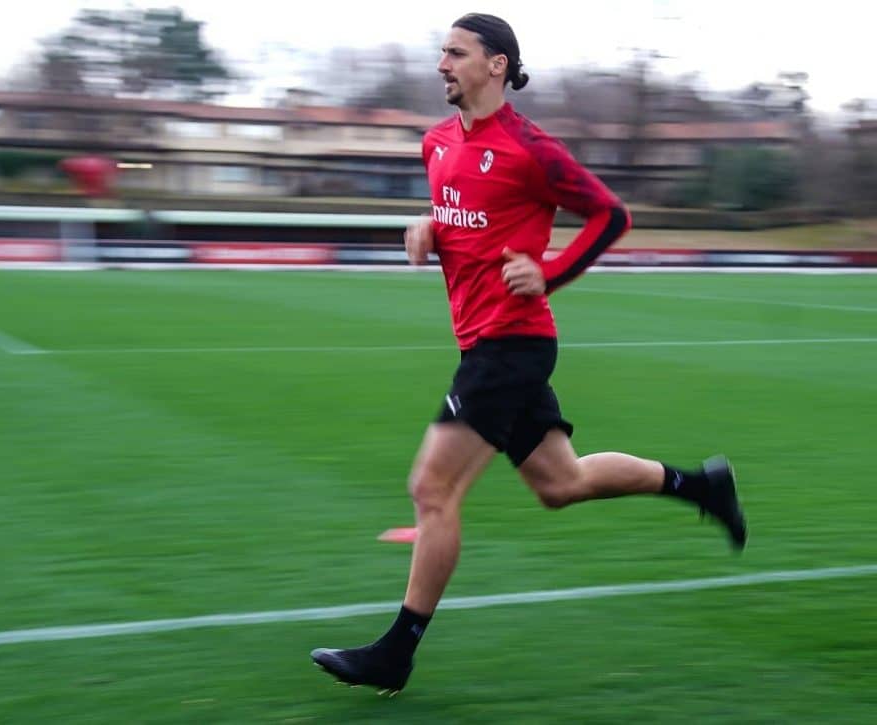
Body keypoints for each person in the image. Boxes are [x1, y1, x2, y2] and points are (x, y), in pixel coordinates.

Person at [311, 13, 746, 696]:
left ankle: (396, 651)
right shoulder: (436, 143)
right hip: (483, 342)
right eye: (442, 52)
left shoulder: (530, 148)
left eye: (456, 53)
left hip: (511, 344)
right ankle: (701, 486)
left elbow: (611, 216)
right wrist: (430, 229)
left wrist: (551, 271)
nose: (442, 64)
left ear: (497, 65)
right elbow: (470, 222)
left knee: (432, 488)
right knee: (560, 483)